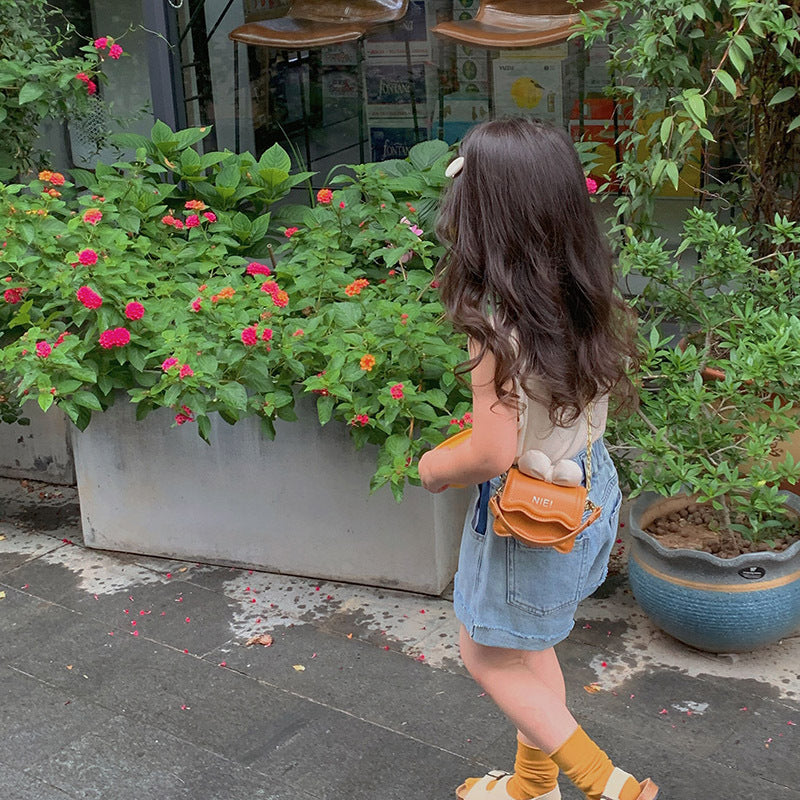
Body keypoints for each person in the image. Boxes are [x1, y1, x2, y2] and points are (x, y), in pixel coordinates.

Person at [417, 118, 658, 800]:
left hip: (528, 516)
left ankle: (606, 784)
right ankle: (531, 786)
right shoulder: (585, 297)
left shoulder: (495, 328)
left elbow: (491, 452)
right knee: (530, 647)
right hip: (586, 493)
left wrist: (434, 467)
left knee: (486, 655)